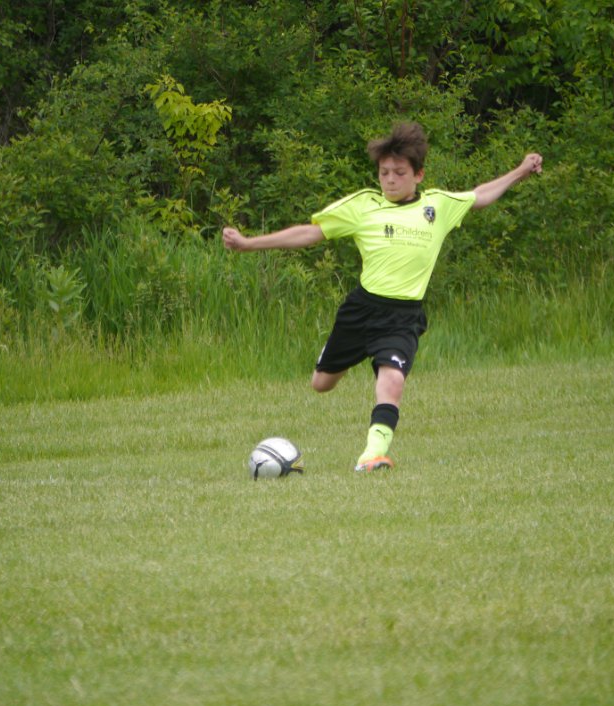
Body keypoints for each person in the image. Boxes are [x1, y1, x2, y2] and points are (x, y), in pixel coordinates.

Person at [223, 122, 542, 472]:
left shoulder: (437, 206)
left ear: (418, 175)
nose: (390, 180)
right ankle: (348, 353)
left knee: (392, 380)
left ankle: (373, 454)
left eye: (399, 173)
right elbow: (311, 233)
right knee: (321, 384)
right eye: (384, 172)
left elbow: (479, 196)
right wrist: (249, 244)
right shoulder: (364, 205)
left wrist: (521, 171)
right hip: (361, 311)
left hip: (402, 316)